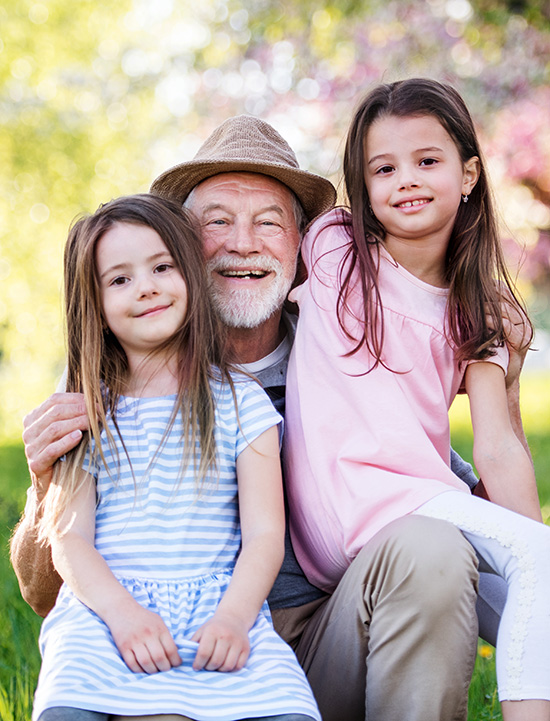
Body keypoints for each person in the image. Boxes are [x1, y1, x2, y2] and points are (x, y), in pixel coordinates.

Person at [11, 114, 521, 721]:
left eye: (269, 223)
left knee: (430, 544)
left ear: (304, 246)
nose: (242, 243)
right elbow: (44, 594)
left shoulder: (347, 353)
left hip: (333, 645)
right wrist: (45, 487)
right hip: (174, 652)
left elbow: (466, 508)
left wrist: (498, 383)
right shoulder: (116, 381)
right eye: (216, 222)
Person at [284, 78, 550, 721]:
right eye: (384, 168)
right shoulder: (334, 249)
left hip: (423, 517)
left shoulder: (476, 309)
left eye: (427, 161)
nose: (406, 179)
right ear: (361, 189)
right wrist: (531, 552)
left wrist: (525, 547)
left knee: (537, 585)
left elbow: (497, 447)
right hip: (357, 509)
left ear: (469, 174)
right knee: (537, 560)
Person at [32, 193, 320, 721]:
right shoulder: (85, 401)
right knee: (68, 708)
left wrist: (235, 617)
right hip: (105, 611)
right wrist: (122, 614)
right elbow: (69, 538)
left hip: (216, 608)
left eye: (162, 267)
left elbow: (264, 534)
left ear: (189, 273)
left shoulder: (240, 399)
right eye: (119, 279)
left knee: (290, 712)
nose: (145, 287)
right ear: (92, 301)